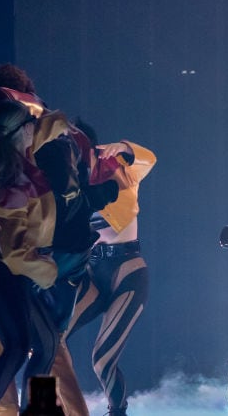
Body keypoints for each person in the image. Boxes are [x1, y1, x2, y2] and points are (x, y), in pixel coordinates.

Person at [0, 64, 119, 415]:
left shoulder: (39, 146)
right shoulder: (20, 170)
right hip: (35, 268)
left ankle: (32, 410)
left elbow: (74, 197)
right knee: (34, 345)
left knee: (41, 347)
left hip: (51, 266)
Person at [60, 129, 156, 416]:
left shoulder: (120, 171)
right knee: (50, 342)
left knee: (102, 361)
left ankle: (118, 412)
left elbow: (149, 159)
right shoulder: (67, 184)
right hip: (92, 272)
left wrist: (125, 146)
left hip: (127, 272)